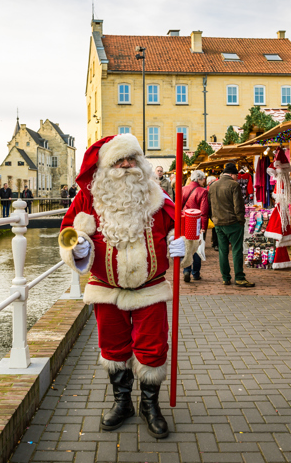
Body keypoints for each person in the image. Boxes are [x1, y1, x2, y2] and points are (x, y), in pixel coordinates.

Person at [60, 133, 197, 439]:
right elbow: (68, 233)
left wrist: (184, 246)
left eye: (131, 159)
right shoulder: (87, 200)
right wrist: (77, 249)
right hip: (106, 290)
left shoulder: (158, 198)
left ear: (141, 163)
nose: (126, 166)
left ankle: (150, 407)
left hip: (150, 289)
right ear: (105, 167)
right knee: (113, 349)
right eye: (119, 161)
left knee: (153, 348)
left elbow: (184, 230)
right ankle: (122, 403)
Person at [208, 162, 255, 287]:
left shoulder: (213, 185)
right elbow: (238, 205)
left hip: (218, 222)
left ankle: (225, 277)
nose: (238, 177)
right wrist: (241, 220)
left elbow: (209, 205)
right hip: (233, 222)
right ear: (232, 174)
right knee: (236, 250)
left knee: (223, 251)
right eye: (236, 175)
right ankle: (239, 277)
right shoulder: (234, 185)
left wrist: (213, 219)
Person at [182, 170, 209, 282]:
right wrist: (204, 226)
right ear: (199, 179)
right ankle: (195, 273)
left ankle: (186, 270)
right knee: (197, 247)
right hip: (196, 221)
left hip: (184, 221)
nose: (204, 181)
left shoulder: (183, 189)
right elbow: (204, 211)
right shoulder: (203, 191)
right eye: (203, 179)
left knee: (186, 247)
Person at [206, 176, 219, 251]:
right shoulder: (212, 187)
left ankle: (214, 242)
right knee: (215, 227)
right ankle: (216, 243)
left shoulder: (207, 188)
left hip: (210, 210)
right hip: (213, 209)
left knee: (214, 227)